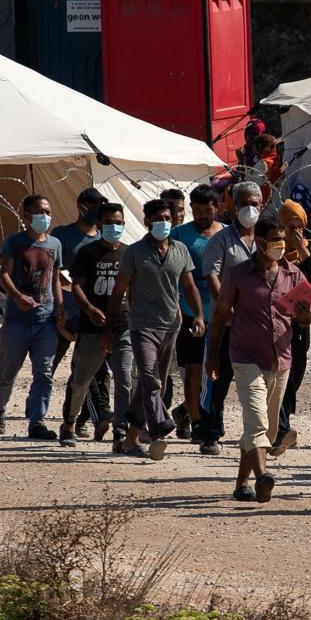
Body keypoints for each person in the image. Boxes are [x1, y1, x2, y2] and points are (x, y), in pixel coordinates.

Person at [208, 216, 311, 502]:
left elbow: (306, 318)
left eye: (283, 239)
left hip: (280, 360)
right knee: (256, 422)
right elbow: (219, 316)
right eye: (276, 239)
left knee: (265, 428)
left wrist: (304, 314)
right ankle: (262, 476)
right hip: (245, 357)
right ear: (261, 242)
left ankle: (242, 482)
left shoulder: (293, 275)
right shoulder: (239, 274)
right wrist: (213, 356)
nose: (282, 244)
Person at [109, 198, 204, 460]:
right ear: (147, 221)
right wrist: (110, 327)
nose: (164, 222)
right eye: (158, 218)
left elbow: (189, 286)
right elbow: (119, 291)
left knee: (154, 386)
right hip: (141, 325)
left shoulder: (180, 250)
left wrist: (198, 314)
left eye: (168, 218)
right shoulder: (135, 252)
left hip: (171, 326)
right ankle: (159, 429)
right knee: (150, 379)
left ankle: (129, 441)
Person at [0, 193, 64, 441]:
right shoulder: (14, 242)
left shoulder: (54, 245)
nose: (45, 216)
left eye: (48, 212)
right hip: (17, 320)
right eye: (40, 212)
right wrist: (18, 297)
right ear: (26, 215)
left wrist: (60, 307)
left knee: (44, 372)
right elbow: (4, 274)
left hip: (45, 320)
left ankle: (37, 420)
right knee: (9, 370)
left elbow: (55, 278)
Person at [197, 179, 263, 455]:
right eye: (244, 203)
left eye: (254, 203)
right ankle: (210, 432)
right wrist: (226, 304)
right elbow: (211, 274)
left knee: (261, 380)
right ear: (233, 208)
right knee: (217, 376)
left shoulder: (266, 238)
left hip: (258, 324)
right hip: (226, 322)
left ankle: (266, 432)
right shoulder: (221, 240)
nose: (249, 208)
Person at [62, 202, 134, 448]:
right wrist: (90, 309)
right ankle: (69, 423)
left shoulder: (128, 253)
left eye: (119, 222)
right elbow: (77, 286)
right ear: (100, 224)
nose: (115, 227)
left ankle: (120, 431)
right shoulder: (88, 252)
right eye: (110, 222)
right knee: (81, 380)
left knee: (124, 381)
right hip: (92, 327)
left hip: (121, 326)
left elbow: (132, 290)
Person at [52, 187, 111, 438]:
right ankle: (35, 410)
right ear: (82, 205)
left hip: (92, 316)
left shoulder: (104, 240)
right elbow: (56, 273)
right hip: (66, 311)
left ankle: (88, 418)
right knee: (49, 365)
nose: (99, 208)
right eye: (96, 204)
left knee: (90, 370)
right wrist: (59, 309)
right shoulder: (63, 235)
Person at [169, 185, 222, 442]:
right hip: (189, 314)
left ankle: (197, 413)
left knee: (216, 372)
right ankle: (199, 423)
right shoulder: (179, 235)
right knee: (192, 372)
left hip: (222, 315)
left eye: (208, 210)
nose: (202, 215)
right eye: (198, 210)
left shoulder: (225, 235)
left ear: (217, 208)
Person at [273, 198, 311, 449]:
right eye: (290, 227)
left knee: (296, 374)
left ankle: (283, 420)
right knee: (281, 374)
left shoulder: (309, 251)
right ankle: (281, 428)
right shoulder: (275, 251)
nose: (295, 232)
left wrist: (303, 251)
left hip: (300, 323)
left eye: (299, 226)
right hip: (276, 322)